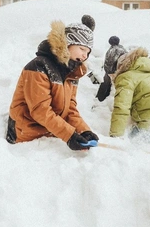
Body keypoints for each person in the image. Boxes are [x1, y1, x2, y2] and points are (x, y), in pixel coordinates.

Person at [6, 15, 99, 151]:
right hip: (27, 135)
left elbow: (70, 109)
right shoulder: (39, 67)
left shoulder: (72, 72)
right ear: (68, 44)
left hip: (51, 131)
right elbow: (40, 110)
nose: (85, 56)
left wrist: (83, 130)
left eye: (88, 52)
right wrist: (69, 135)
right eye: (82, 49)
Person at [96, 36, 127, 102]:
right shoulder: (122, 49)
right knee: (111, 86)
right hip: (117, 71)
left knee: (106, 84)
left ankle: (100, 99)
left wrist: (109, 72)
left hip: (112, 71)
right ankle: (103, 100)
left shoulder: (112, 50)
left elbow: (109, 62)